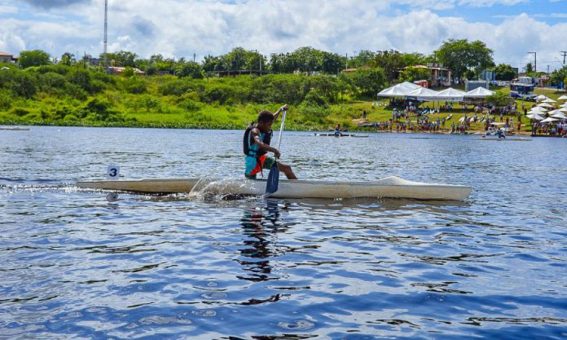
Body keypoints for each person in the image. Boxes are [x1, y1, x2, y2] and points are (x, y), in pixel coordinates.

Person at [243, 105, 297, 180]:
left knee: (287, 168)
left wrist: (280, 110)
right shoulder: (254, 131)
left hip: (262, 159)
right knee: (251, 181)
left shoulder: (263, 125)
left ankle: (295, 187)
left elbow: (272, 118)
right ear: (261, 123)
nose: (270, 127)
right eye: (269, 125)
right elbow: (260, 144)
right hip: (252, 162)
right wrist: (274, 150)